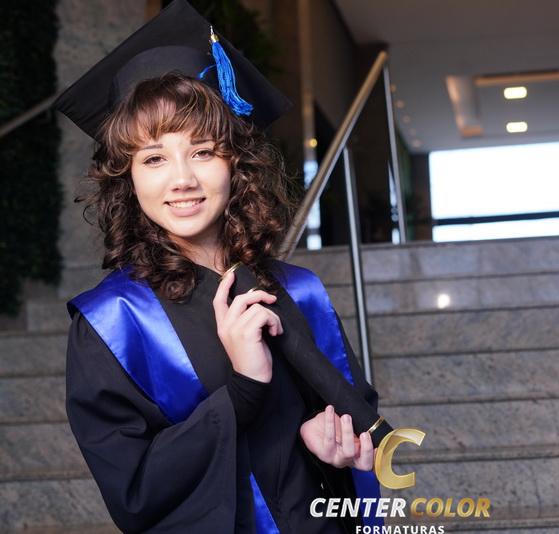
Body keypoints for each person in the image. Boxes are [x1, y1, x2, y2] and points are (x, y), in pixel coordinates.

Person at [55, 1, 385, 532]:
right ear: (128, 178)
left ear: (235, 163)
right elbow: (134, 495)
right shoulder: (114, 323)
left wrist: (331, 446)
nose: (182, 179)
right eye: (154, 158)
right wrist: (243, 389)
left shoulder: (299, 291)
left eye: (203, 151)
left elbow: (356, 427)